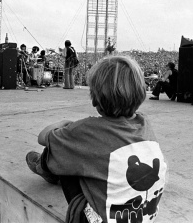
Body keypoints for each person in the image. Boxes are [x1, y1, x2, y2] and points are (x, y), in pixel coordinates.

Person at [26, 55, 167, 223]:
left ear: (94, 99)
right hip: (144, 215)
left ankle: (43, 167)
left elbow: (43, 137)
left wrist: (64, 125)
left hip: (97, 220)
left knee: (62, 148)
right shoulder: (144, 124)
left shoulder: (87, 130)